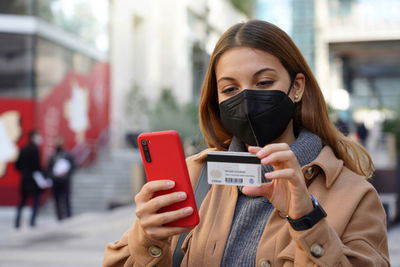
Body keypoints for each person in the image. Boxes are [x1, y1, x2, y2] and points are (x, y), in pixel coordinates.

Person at [103, 20, 389, 266]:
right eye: (230, 89)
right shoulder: (190, 177)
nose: (247, 98)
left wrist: (306, 219)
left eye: (264, 82)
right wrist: (147, 237)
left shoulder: (354, 196)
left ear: (297, 87)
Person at [14, 130, 43, 228]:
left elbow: (17, 165)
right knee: (35, 202)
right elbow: (38, 166)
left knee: (22, 202)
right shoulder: (35, 150)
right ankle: (32, 222)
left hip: (24, 179)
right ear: (32, 138)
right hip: (34, 180)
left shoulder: (22, 149)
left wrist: (24, 171)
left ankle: (17, 222)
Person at [47, 137, 74, 221]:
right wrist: (54, 175)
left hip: (65, 181)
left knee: (66, 199)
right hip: (56, 182)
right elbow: (49, 169)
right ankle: (59, 217)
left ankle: (68, 216)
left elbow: (73, 167)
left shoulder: (67, 155)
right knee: (57, 200)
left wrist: (66, 173)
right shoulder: (52, 156)